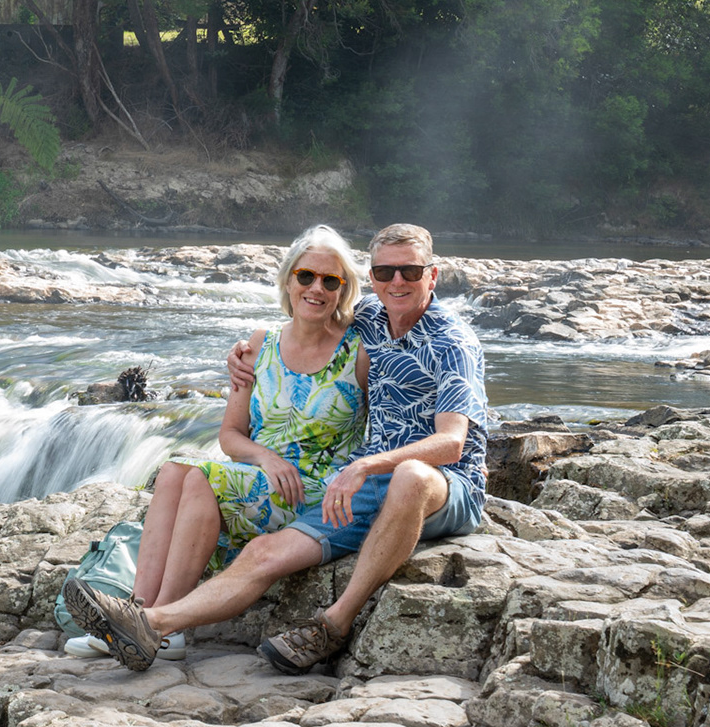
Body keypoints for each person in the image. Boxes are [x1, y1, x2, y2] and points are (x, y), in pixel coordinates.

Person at [65, 223, 488, 675]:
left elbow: (452, 443)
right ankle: (145, 623)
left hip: (441, 482)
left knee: (410, 475)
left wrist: (365, 464)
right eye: (385, 272)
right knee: (260, 550)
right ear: (372, 277)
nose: (397, 282)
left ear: (432, 275)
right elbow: (313, 322)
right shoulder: (371, 317)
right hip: (367, 485)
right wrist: (241, 355)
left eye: (410, 272)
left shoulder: (451, 342)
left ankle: (334, 623)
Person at [66, 225, 368, 661]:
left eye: (330, 280)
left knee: (201, 479)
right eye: (306, 276)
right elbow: (230, 436)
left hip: (314, 492)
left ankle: (160, 627)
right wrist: (265, 457)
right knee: (174, 470)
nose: (316, 288)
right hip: (263, 474)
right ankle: (135, 613)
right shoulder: (260, 345)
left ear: (343, 289)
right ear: (288, 281)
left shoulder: (358, 352)